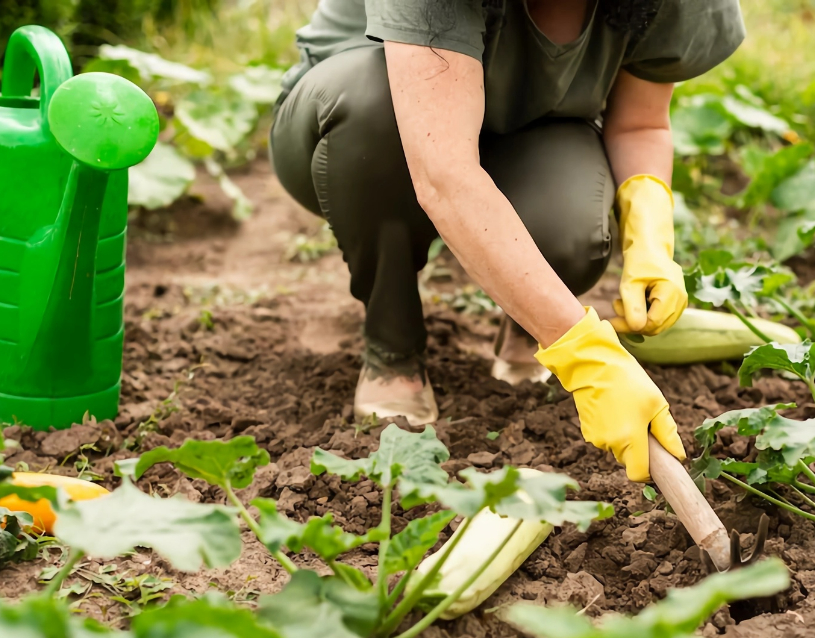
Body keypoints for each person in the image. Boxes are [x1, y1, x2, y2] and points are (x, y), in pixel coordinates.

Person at [271, 0, 744, 482]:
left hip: (528, 129)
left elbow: (641, 122)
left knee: (570, 228)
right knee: (375, 108)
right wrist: (586, 357)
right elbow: (444, 176)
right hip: (363, 126)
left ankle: (528, 323)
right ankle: (392, 346)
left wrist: (649, 237)